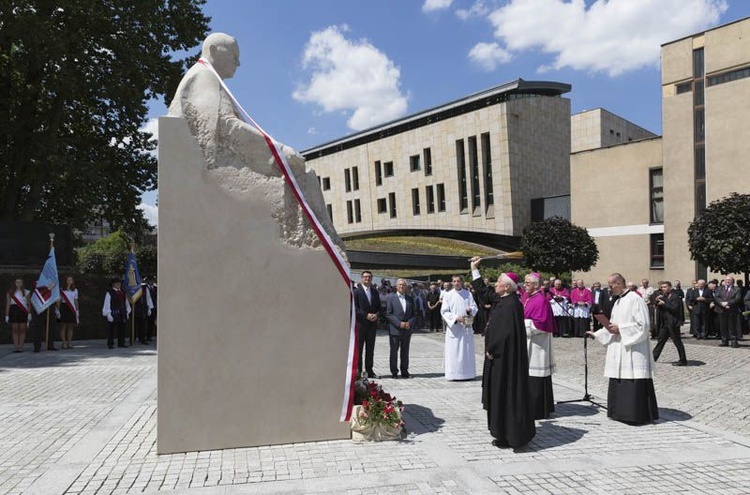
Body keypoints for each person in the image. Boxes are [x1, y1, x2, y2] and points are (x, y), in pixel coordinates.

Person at [168, 32, 344, 257]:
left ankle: (319, 244)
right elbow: (225, 126)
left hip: (209, 171)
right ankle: (322, 246)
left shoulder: (204, 78)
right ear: (212, 51)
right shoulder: (204, 77)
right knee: (303, 176)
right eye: (233, 54)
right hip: (212, 175)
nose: (238, 62)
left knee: (301, 175)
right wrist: (279, 152)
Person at [470, 257, 535, 449]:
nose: (495, 285)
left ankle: (507, 434)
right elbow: (483, 291)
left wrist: (491, 349)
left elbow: (504, 333)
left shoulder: (511, 305)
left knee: (505, 395)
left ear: (507, 287)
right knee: (498, 396)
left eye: (498, 282)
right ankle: (500, 431)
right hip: (499, 359)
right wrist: (474, 269)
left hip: (503, 360)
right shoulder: (504, 299)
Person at [588, 273, 658, 425]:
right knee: (618, 377)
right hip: (619, 347)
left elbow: (643, 326)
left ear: (619, 283)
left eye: (611, 285)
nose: (609, 288)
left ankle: (634, 415)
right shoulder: (618, 302)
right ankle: (619, 412)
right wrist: (597, 333)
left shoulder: (635, 299)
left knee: (632, 378)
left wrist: (621, 329)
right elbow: (612, 324)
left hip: (633, 349)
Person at [521, 273, 556, 419]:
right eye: (524, 282)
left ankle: (538, 409)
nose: (524, 285)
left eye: (528, 283)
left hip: (537, 345)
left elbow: (541, 324)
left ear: (536, 285)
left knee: (536, 376)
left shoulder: (541, 300)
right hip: (528, 342)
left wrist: (520, 325)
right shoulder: (525, 297)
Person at [441, 275, 479, 381]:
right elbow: (444, 311)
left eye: (458, 281)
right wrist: (455, 318)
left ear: (461, 282)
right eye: (454, 281)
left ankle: (467, 373)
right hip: (454, 328)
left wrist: (470, 310)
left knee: (466, 351)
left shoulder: (468, 294)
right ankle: (453, 374)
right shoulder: (448, 295)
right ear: (452, 283)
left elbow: (474, 307)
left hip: (466, 327)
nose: (456, 283)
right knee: (454, 351)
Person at [385, 279, 417, 379]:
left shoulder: (410, 298)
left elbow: (414, 314)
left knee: (405, 351)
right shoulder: (390, 297)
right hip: (395, 329)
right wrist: (399, 324)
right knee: (394, 351)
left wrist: (409, 323)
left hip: (407, 329)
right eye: (400, 285)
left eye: (403, 285)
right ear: (396, 286)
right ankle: (394, 372)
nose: (402, 286)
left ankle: (404, 371)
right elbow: (388, 314)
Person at [353, 271, 382, 378]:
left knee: (370, 349)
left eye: (369, 277)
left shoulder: (375, 292)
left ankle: (369, 371)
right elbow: (355, 308)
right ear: (361, 278)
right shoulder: (356, 292)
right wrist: (366, 315)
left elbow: (379, 308)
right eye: (365, 277)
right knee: (359, 349)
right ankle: (359, 371)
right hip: (361, 325)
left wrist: (376, 315)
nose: (367, 279)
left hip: (372, 326)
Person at [652, 281, 688, 366]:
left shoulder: (675, 297)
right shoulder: (663, 296)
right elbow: (659, 307)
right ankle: (653, 358)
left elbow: (674, 309)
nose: (663, 289)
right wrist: (657, 302)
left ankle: (683, 360)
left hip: (673, 323)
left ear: (670, 287)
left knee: (677, 341)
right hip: (665, 323)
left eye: (665, 287)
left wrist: (664, 304)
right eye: (662, 287)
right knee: (661, 341)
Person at [713, 276, 743, 348]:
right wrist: (722, 304)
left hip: (732, 310)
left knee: (732, 326)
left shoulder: (737, 289)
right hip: (721, 310)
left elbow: (737, 299)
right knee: (723, 326)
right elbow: (716, 297)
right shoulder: (719, 288)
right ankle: (724, 341)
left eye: (729, 280)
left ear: (732, 281)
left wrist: (728, 303)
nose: (728, 281)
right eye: (726, 280)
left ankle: (734, 341)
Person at [102, 278, 131, 349]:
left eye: (119, 283)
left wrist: (127, 311)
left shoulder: (123, 292)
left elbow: (126, 302)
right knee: (111, 329)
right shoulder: (109, 292)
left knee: (122, 328)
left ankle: (121, 343)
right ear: (113, 284)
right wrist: (108, 314)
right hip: (113, 312)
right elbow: (107, 303)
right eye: (116, 283)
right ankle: (110, 343)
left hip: (122, 312)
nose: (118, 284)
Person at [5, 278, 32, 352]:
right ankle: (16, 347)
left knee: (22, 329)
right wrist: (7, 315)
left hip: (23, 311)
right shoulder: (10, 292)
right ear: (14, 283)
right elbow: (8, 304)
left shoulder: (27, 292)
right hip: (13, 310)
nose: (19, 284)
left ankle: (21, 347)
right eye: (17, 282)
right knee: (15, 329)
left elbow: (29, 304)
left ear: (23, 283)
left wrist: (29, 313)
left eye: (20, 282)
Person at [57, 276, 79, 349]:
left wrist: (77, 311)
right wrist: (57, 310)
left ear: (72, 281)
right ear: (65, 281)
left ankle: (69, 342)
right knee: (63, 326)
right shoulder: (61, 290)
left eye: (71, 280)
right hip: (63, 307)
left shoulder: (75, 290)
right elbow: (59, 301)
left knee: (70, 327)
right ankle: (64, 342)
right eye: (68, 280)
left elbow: (76, 301)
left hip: (71, 308)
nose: (69, 281)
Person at [132, 281, 154, 345]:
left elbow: (148, 298)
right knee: (134, 325)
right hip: (135, 309)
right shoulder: (132, 287)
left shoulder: (145, 288)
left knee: (143, 325)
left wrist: (149, 308)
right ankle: (132, 339)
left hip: (143, 309)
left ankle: (142, 339)